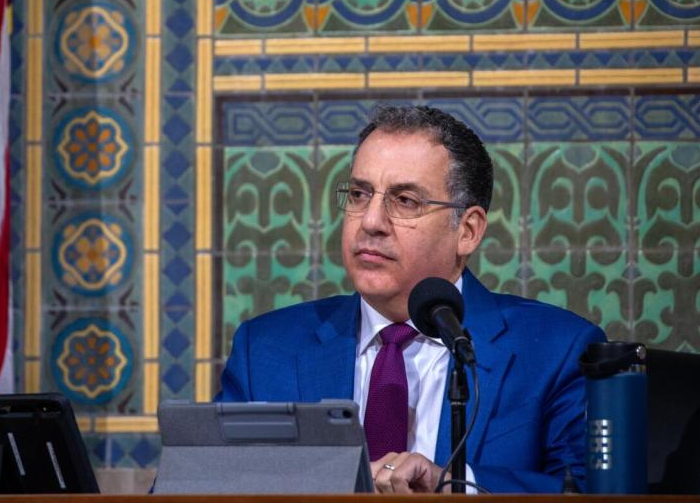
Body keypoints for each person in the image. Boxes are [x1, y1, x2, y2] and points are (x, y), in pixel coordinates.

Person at [217, 104, 606, 493]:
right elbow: (197, 485)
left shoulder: (556, 351)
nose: (370, 221)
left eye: (405, 201)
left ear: (467, 231)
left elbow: (590, 493)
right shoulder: (266, 351)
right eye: (358, 194)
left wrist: (455, 487)